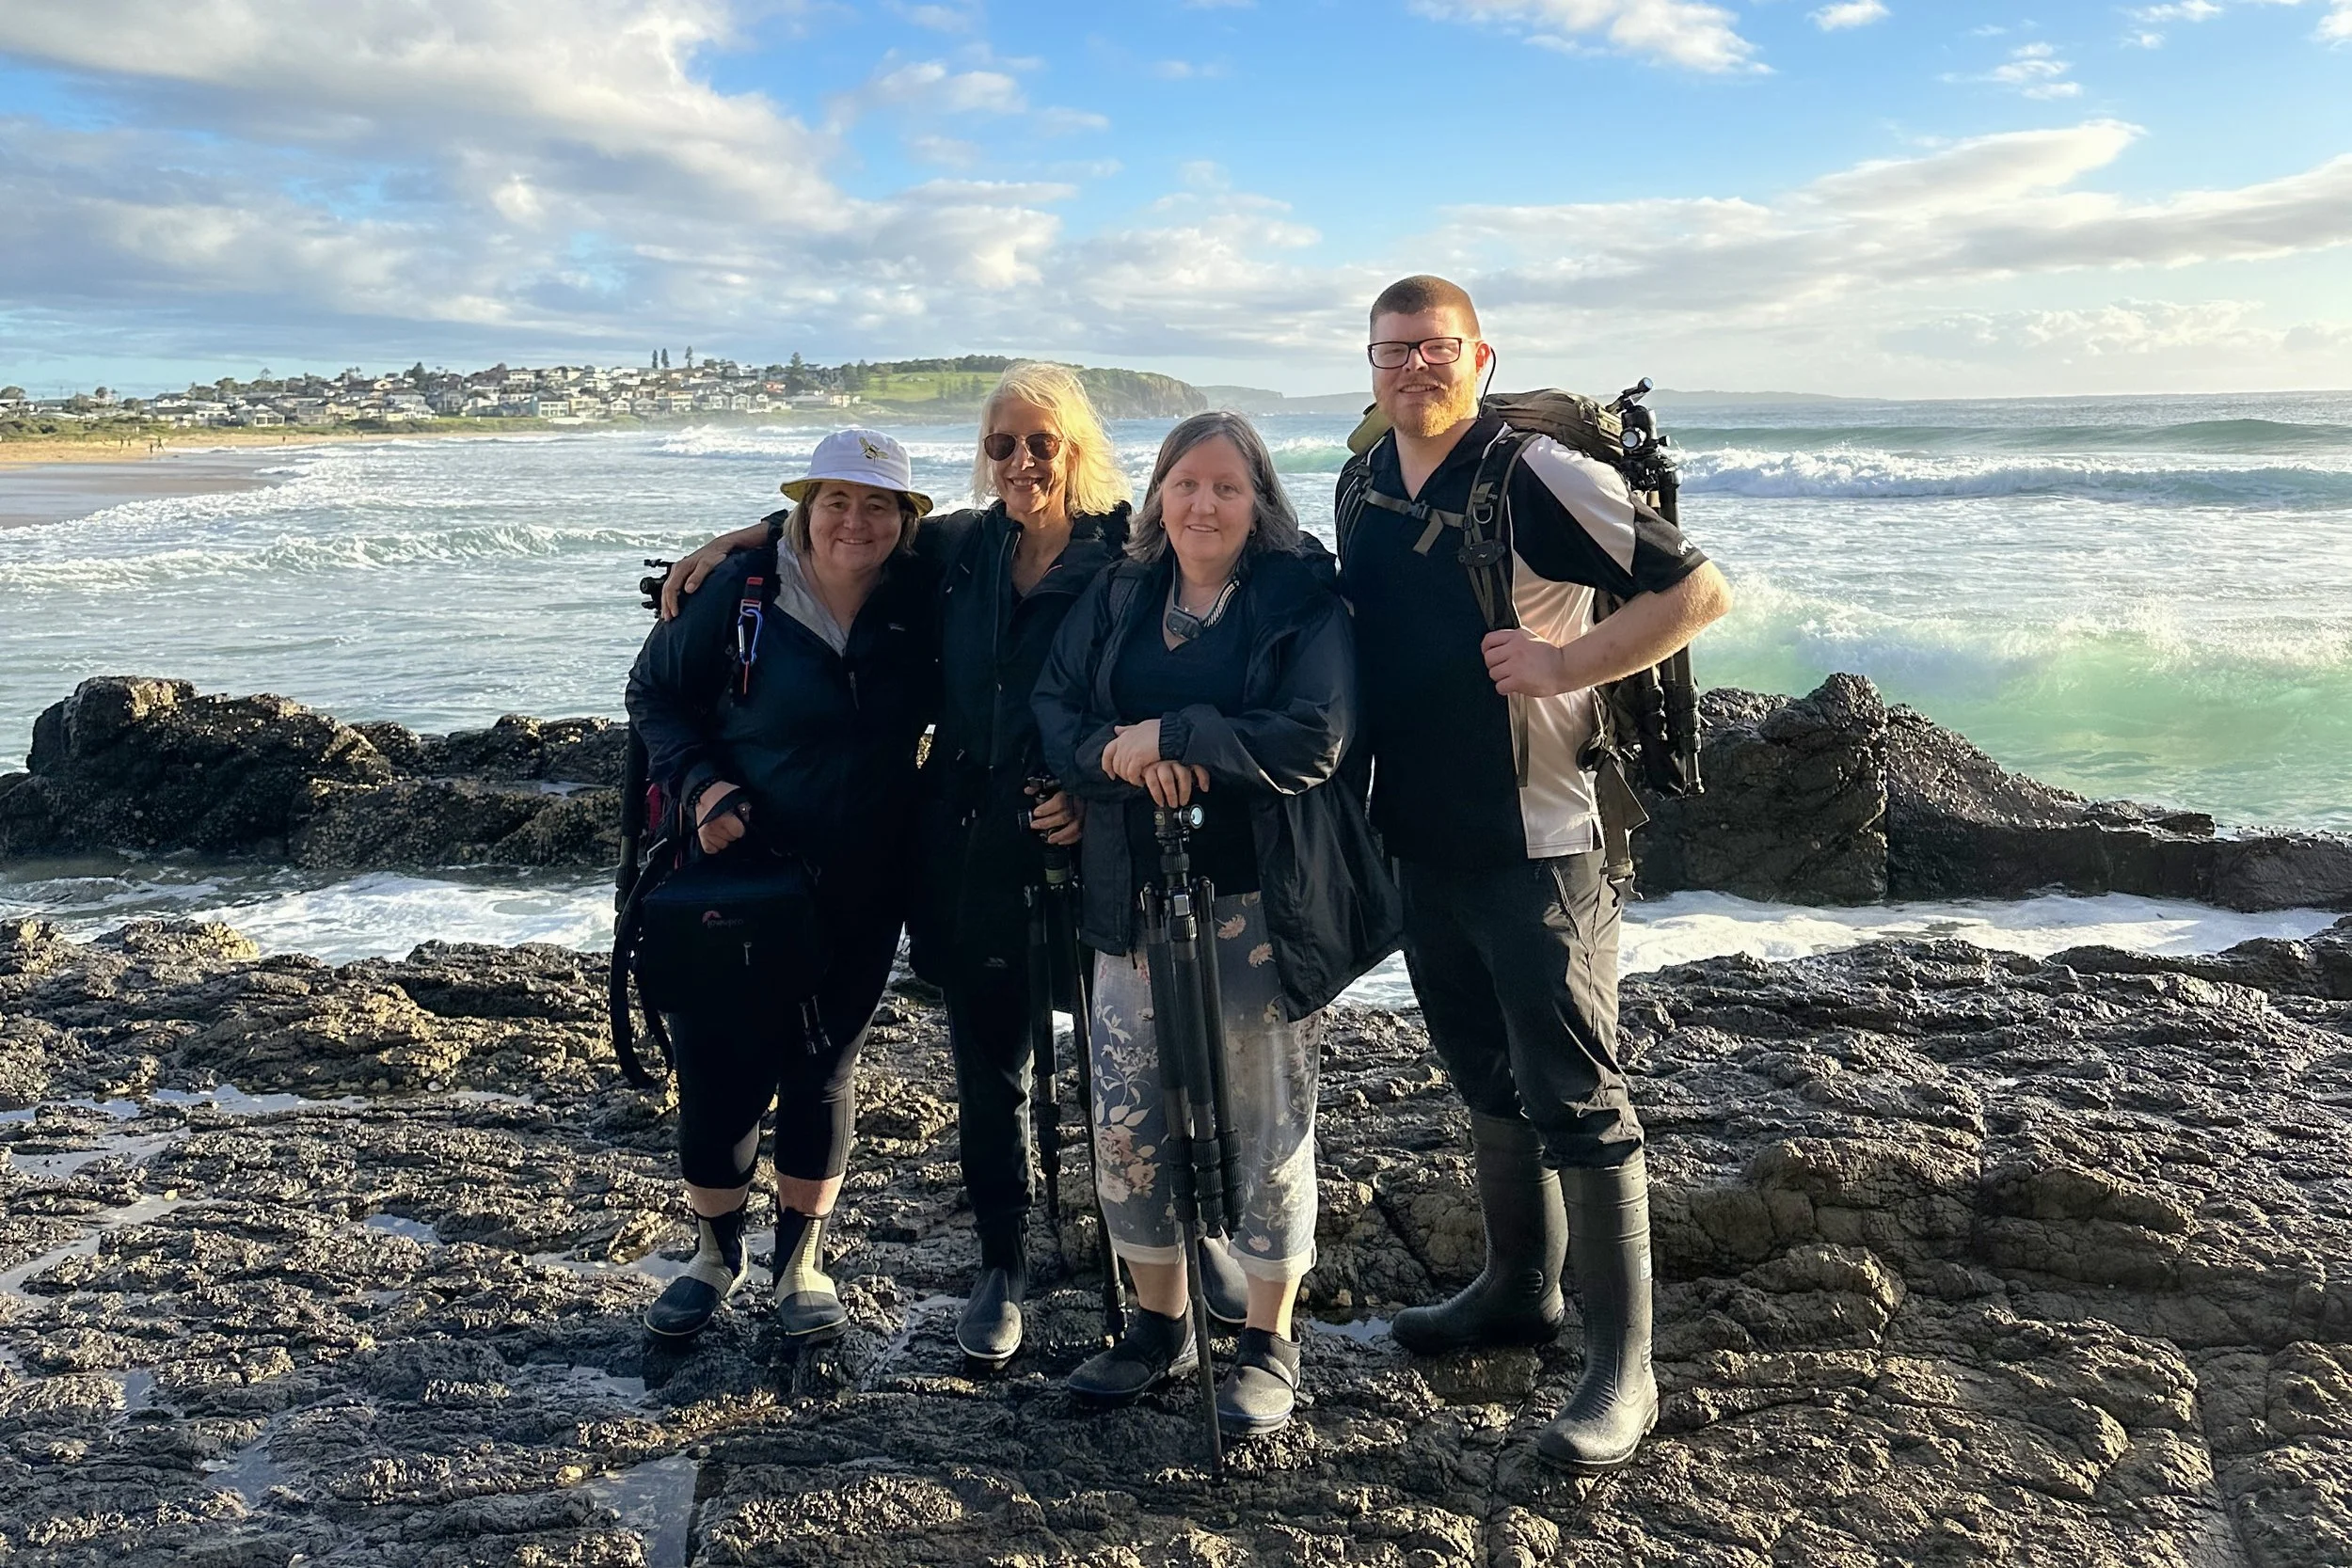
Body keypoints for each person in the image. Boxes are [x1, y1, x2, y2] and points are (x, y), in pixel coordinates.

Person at [659, 366, 1250, 1367]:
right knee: (992, 1067)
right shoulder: (961, 547)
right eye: (1000, 444)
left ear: (1075, 449)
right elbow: (845, 519)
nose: (1019, 462)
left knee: (1135, 1053)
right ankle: (1000, 1259)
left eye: (1039, 443)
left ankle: (1190, 1236)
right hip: (964, 841)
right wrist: (741, 537)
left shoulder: (1127, 551)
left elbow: (1166, 667)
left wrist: (1095, 787)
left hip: (1093, 834)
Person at [1337, 277, 1734, 1472]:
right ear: (1369, 361)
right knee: (1481, 1072)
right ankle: (1517, 1289)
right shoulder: (1363, 477)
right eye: (1392, 349)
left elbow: (1697, 589)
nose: (1413, 367)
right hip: (1420, 831)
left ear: (1478, 354)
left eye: (1435, 348)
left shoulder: (1533, 474)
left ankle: (1626, 1371)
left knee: (1576, 1091)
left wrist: (1568, 661)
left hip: (1542, 837)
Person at [1034, 411, 1400, 1438]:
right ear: (1156, 496)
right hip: (1127, 895)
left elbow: (1316, 736)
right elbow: (1055, 706)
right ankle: (1158, 1324)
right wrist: (1115, 755)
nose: (1201, 504)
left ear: (1259, 501)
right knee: (1128, 1115)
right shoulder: (1117, 592)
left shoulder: (1300, 600)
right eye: (1183, 484)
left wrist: (1180, 734)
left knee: (1263, 1117)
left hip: (1256, 902)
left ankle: (1268, 1341)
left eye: (1225, 487)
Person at [626, 428, 939, 1344]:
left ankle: (800, 1257)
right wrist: (699, 786)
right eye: (833, 499)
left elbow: (1019, 539)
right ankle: (714, 1256)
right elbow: (654, 695)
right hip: (735, 871)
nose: (854, 519)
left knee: (821, 1069)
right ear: (805, 507)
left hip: (864, 879)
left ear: (906, 518)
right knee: (720, 1066)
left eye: (877, 502)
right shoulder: (739, 592)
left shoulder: (923, 596)